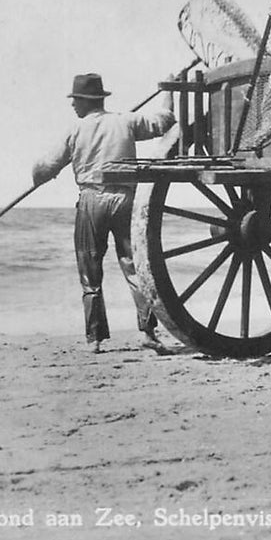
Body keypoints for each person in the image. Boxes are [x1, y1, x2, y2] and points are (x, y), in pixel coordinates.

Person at [32, 73, 176, 355]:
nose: (73, 106)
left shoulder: (75, 130)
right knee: (135, 268)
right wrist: (169, 88)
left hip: (92, 200)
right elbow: (164, 120)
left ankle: (96, 339)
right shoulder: (126, 120)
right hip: (125, 199)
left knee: (90, 272)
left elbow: (46, 167)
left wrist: (37, 175)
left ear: (85, 102)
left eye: (75, 101)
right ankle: (148, 333)